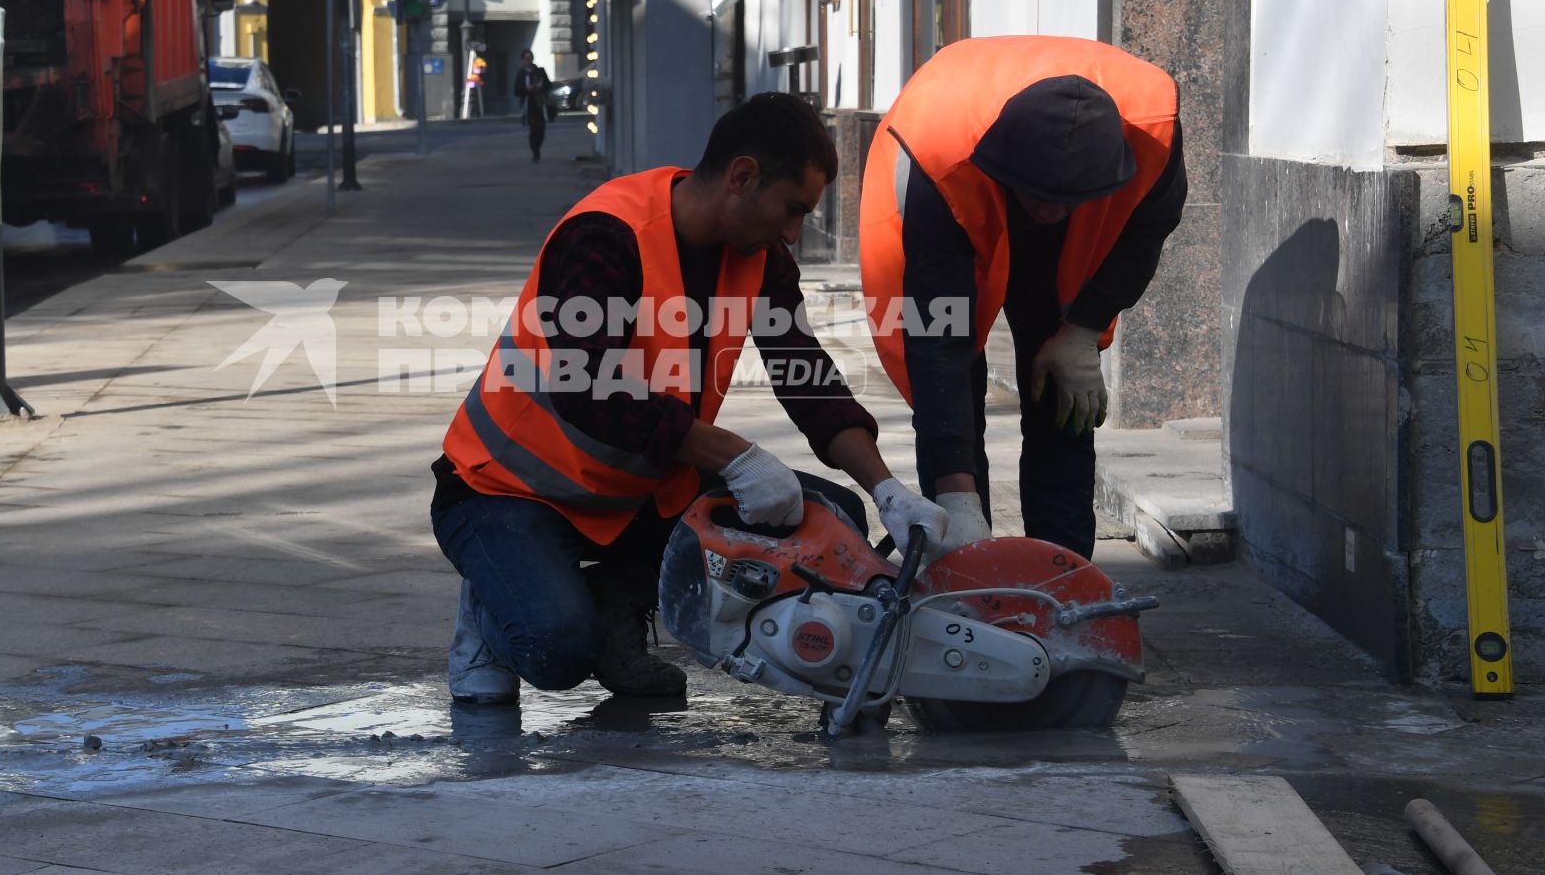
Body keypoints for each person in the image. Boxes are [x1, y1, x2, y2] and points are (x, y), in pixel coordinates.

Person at [432, 92, 950, 706]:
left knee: (832, 516)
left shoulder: (759, 259)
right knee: (556, 648)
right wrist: (734, 456)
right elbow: (585, 386)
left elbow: (806, 376)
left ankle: (616, 611)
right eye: (792, 210)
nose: (792, 232)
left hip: (635, 493)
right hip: (507, 493)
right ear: (742, 176)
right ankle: (491, 617)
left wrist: (887, 489)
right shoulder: (606, 237)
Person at [858, 35, 1187, 561]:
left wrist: (1082, 329)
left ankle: (1064, 570)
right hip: (957, 175)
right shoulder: (942, 164)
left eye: (1062, 203)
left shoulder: (1154, 133)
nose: (1049, 213)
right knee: (952, 384)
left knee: (1060, 388)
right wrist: (955, 494)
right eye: (1039, 200)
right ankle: (965, 558)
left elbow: (1147, 229)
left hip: (1075, 191)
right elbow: (938, 338)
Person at [514, 50, 552, 162]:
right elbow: (516, 91)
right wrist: (526, 89)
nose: (528, 60)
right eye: (526, 58)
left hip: (540, 103)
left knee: (541, 129)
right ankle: (535, 152)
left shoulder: (539, 71)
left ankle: (538, 147)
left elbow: (548, 85)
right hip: (528, 104)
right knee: (533, 128)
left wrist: (541, 86)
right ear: (523, 60)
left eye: (530, 58)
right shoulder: (521, 74)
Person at [463, 46, 488, 119]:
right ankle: (476, 112)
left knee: (477, 96)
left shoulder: (479, 61)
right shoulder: (476, 61)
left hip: (475, 79)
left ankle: (479, 112)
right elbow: (482, 69)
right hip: (473, 79)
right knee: (472, 95)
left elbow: (482, 69)